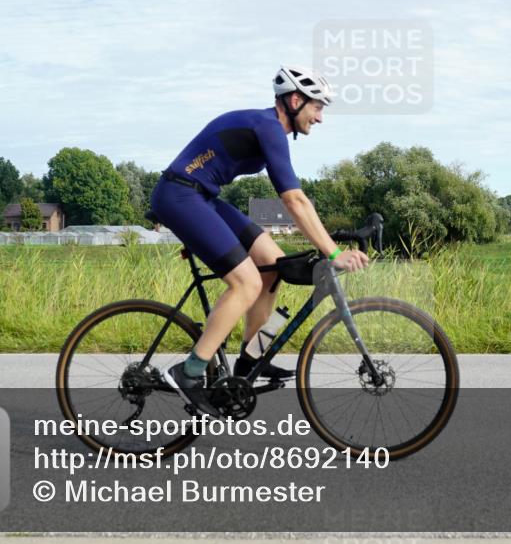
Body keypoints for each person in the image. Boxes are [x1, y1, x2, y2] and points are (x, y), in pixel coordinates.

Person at [150, 66, 371, 417]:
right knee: (247, 282)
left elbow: (297, 199)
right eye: (318, 107)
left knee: (273, 264)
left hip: (200, 198)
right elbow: (294, 200)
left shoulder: (269, 129)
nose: (320, 118)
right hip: (179, 196)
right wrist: (333, 251)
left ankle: (250, 361)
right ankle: (189, 372)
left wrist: (332, 243)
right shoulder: (269, 127)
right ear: (295, 100)